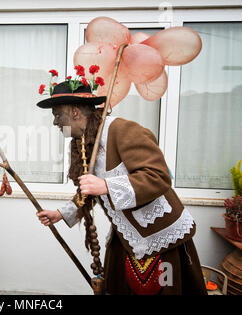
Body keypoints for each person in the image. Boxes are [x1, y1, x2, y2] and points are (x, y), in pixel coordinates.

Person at [35, 79, 207, 295]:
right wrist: (61, 213)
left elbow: (159, 177)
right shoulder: (81, 143)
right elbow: (89, 191)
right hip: (126, 234)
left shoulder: (122, 130)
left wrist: (106, 185)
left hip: (162, 238)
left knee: (168, 288)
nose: (55, 123)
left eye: (58, 115)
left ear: (75, 112)